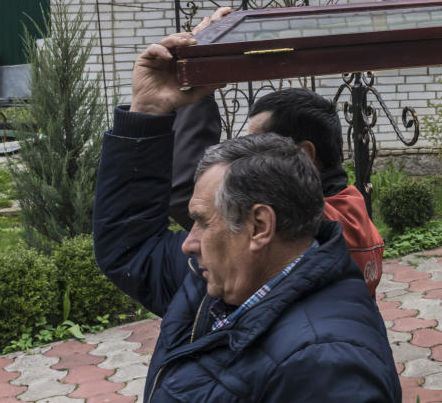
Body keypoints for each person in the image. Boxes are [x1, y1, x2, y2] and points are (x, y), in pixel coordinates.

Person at [94, 30, 401, 402]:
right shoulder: (228, 272)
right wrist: (148, 112)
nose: (189, 243)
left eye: (204, 222)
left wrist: (193, 105)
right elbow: (132, 247)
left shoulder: (324, 362)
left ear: (260, 226)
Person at [168, 8, 385, 296]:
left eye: (258, 147)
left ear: (305, 154)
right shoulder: (352, 207)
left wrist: (195, 80)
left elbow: (186, 190)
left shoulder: (311, 225)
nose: (245, 159)